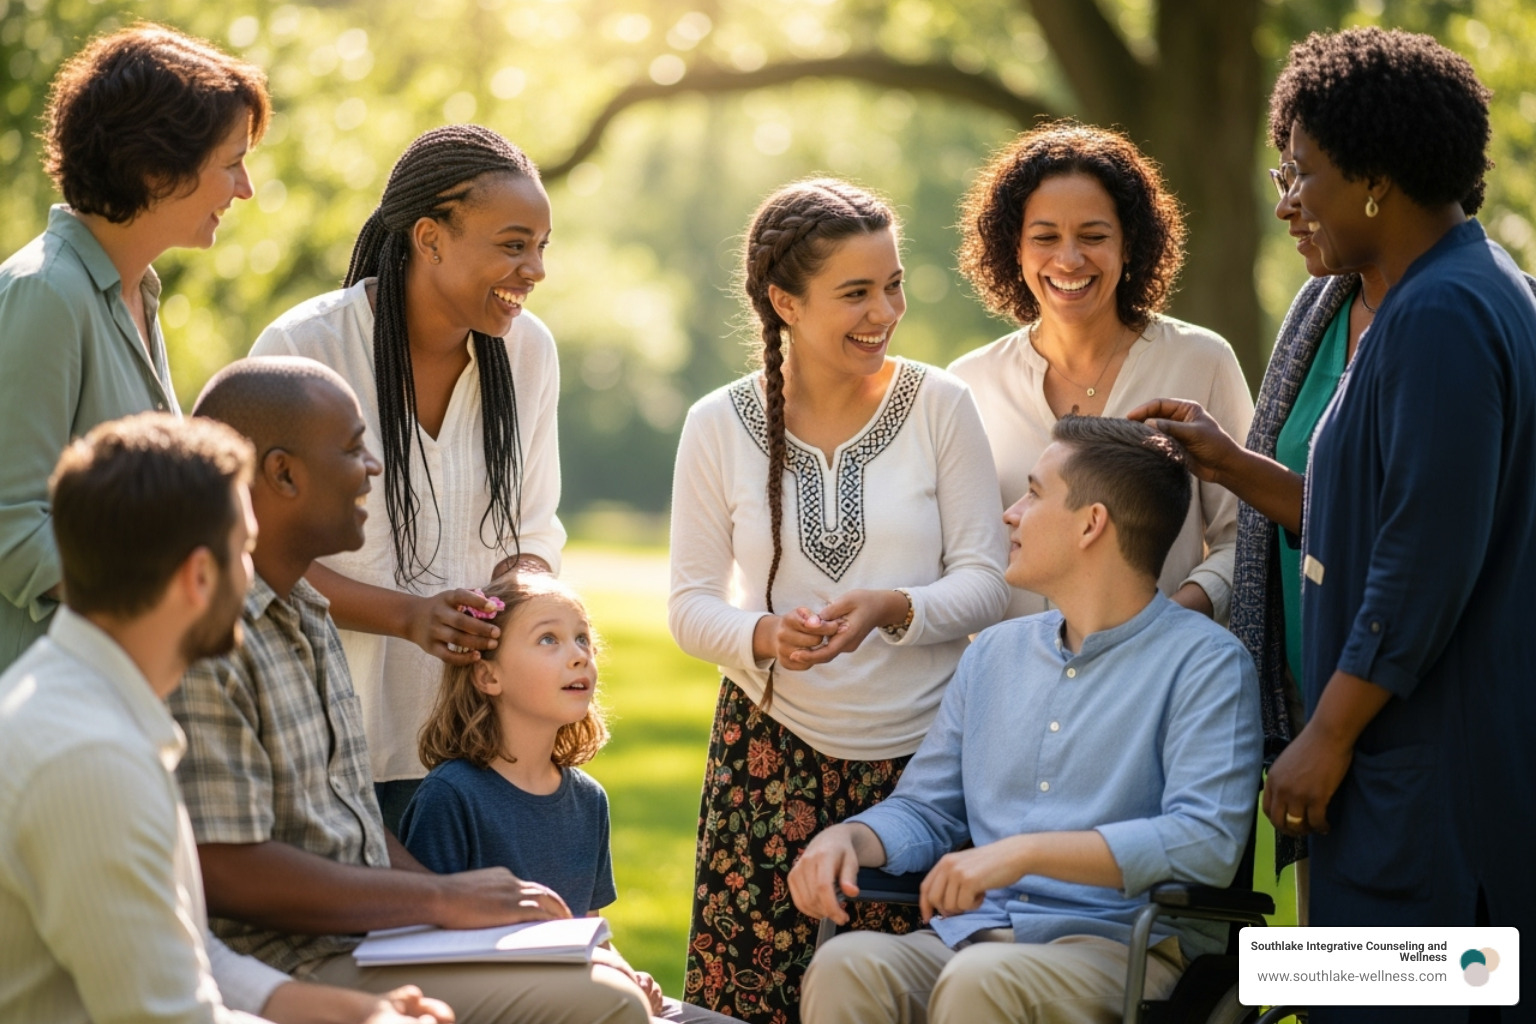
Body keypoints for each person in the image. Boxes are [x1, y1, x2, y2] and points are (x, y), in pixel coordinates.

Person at [1138, 29, 1536, 1019]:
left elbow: (1421, 559)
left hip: (1424, 767)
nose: (1285, 199)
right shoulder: (1439, 293)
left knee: (1427, 991)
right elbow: (1389, 512)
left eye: (1301, 172)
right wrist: (1238, 469)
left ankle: (1227, 989)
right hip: (1412, 756)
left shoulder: (1444, 315)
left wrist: (1326, 731)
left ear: (1374, 176)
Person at [168, 358, 650, 1024]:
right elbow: (225, 869)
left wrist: (459, 905)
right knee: (608, 1004)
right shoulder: (211, 636)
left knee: (614, 975)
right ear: (282, 474)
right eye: (350, 448)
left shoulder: (305, 611)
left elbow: (356, 826)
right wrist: (441, 904)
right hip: (290, 966)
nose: (372, 466)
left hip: (373, 944)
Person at [668, 179, 1010, 1021]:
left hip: (923, 770)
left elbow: (989, 579)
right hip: (767, 760)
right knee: (748, 1006)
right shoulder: (717, 422)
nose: (883, 311)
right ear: (784, 300)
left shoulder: (940, 405)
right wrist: (762, 635)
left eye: (892, 284)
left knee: (892, 995)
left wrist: (895, 606)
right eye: (855, 292)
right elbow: (687, 602)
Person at [789, 416, 1262, 1024]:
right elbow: (928, 810)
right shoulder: (992, 653)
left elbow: (1206, 842)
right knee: (846, 966)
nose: (1010, 514)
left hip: (1120, 949)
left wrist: (1022, 854)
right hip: (972, 937)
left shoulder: (1207, 664)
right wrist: (847, 838)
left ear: (1092, 524)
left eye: (1034, 494)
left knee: (980, 981)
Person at [0, 413, 450, 1024]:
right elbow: (170, 1017)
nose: (257, 575)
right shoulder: (90, 760)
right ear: (199, 577)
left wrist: (341, 1012)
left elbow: (191, 950)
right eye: (245, 548)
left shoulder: (86, 702)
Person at [249, 125, 565, 833]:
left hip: (478, 744)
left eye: (542, 246)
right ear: (430, 239)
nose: (535, 269)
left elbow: (534, 527)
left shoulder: (530, 352)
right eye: (513, 245)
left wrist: (516, 595)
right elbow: (256, 556)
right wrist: (409, 616)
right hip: (329, 745)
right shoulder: (305, 351)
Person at [0, 23, 268, 671]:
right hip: (44, 707)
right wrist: (171, 607)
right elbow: (9, 526)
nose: (245, 188)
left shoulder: (135, 290)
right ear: (155, 168)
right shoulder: (46, 294)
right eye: (231, 163)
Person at [947, 121, 1253, 623]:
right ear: (1015, 249)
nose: (1069, 259)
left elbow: (1243, 535)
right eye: (1045, 237)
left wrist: (1162, 628)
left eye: (1093, 236)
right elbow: (963, 560)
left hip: (1164, 679)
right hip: (1018, 687)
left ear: (1129, 245)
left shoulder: (1202, 361)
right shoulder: (968, 384)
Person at [399, 573, 733, 1024]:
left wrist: (628, 972)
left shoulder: (588, 799)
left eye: (582, 639)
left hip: (590, 989)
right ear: (488, 675)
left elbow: (587, 931)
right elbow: (427, 950)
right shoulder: (451, 795)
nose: (578, 656)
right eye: (549, 640)